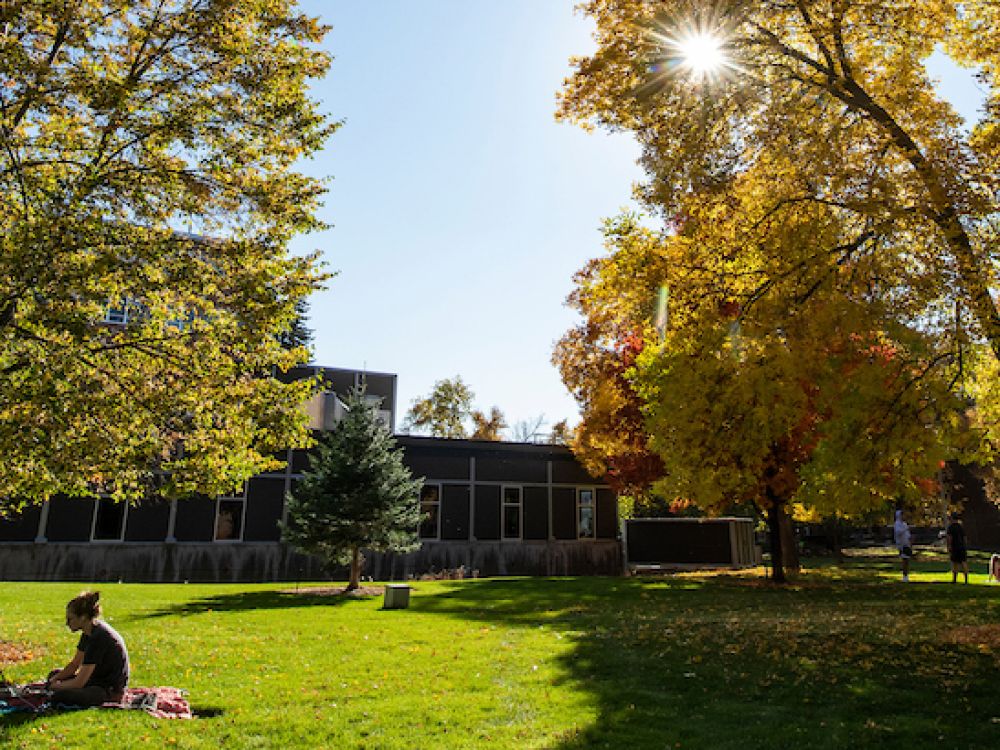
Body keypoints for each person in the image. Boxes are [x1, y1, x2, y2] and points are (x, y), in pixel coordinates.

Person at [45, 591, 129, 706]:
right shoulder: (88, 632)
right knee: (54, 674)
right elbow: (74, 665)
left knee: (60, 696)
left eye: (70, 619)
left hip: (108, 690)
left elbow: (79, 682)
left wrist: (56, 686)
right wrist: (54, 679)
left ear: (83, 617)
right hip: (94, 680)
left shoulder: (98, 637)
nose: (67, 623)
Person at [946, 511, 969, 584]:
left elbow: (949, 538)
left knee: (955, 563)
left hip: (955, 547)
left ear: (952, 518)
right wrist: (965, 545)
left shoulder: (951, 527)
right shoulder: (961, 527)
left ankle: (954, 579)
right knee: (963, 563)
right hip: (962, 547)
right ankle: (966, 580)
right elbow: (965, 537)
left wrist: (949, 546)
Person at [893, 509, 912, 582]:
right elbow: (898, 532)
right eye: (902, 515)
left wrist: (910, 541)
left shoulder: (904, 524)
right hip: (902, 544)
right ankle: (904, 576)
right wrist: (905, 529)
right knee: (904, 559)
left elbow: (908, 533)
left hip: (907, 543)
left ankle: (906, 575)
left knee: (907, 560)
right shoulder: (897, 524)